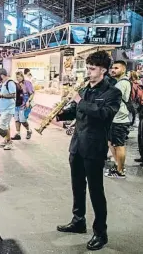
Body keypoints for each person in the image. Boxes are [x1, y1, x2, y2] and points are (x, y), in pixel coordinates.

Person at [55, 51, 122, 251]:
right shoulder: (85, 89)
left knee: (96, 191)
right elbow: (77, 111)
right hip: (77, 145)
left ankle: (101, 233)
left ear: (103, 70)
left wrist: (79, 101)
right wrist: (60, 113)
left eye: (92, 69)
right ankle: (78, 221)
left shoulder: (112, 92)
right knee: (77, 187)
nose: (89, 72)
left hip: (94, 148)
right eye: (88, 67)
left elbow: (104, 114)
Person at [105, 60, 131, 178]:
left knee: (119, 145)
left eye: (116, 68)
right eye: (112, 68)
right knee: (112, 143)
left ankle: (120, 171)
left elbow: (112, 99)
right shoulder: (119, 82)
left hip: (119, 120)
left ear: (123, 69)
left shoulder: (121, 83)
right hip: (116, 119)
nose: (113, 70)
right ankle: (118, 165)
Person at [0, 68, 16, 150]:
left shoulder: (10, 83)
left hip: (8, 108)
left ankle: (10, 142)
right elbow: (0, 93)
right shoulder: (1, 83)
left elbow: (13, 95)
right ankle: (6, 140)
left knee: (2, 125)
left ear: (2, 75)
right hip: (2, 108)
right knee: (5, 125)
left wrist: (2, 96)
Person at [11, 71, 34, 140]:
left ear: (22, 76)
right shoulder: (16, 84)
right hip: (16, 104)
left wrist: (28, 101)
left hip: (24, 105)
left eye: (18, 77)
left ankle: (29, 130)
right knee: (16, 119)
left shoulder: (27, 83)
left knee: (22, 120)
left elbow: (32, 93)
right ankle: (18, 134)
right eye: (16, 77)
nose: (17, 78)